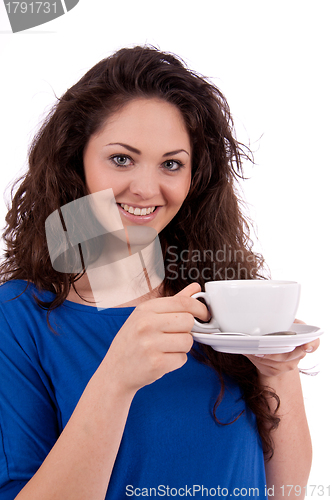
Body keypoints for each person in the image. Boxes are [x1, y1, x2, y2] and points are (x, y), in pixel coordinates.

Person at [0, 46, 319, 500]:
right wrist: (116, 379)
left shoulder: (222, 304)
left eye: (171, 164)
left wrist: (277, 371)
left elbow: (286, 492)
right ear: (77, 162)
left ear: (194, 179)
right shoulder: (18, 319)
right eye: (121, 159)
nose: (147, 189)